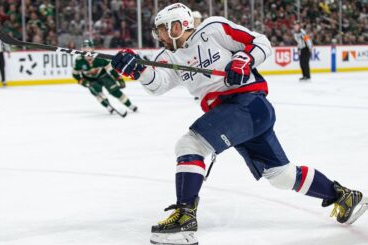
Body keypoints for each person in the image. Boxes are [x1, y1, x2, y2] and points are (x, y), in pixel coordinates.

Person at [111, 3, 367, 245]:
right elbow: (158, 84)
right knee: (281, 175)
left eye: (162, 29)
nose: (159, 35)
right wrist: (138, 70)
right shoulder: (168, 56)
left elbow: (260, 43)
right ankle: (344, 196)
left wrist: (244, 59)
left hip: (248, 103)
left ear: (178, 25)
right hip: (237, 116)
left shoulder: (213, 29)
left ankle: (185, 218)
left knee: (191, 144)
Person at [73, 40, 137, 117]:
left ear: (92, 49)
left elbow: (110, 68)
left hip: (104, 76)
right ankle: (108, 106)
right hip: (90, 80)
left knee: (115, 91)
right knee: (98, 94)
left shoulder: (99, 57)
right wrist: (82, 81)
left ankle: (130, 105)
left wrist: (119, 78)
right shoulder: (79, 60)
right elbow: (75, 74)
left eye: (88, 47)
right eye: (84, 48)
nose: (86, 50)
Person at [0, 21, 10, 87]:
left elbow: (5, 41)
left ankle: (3, 80)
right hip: (0, 51)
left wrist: (8, 49)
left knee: (2, 67)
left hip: (0, 52)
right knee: (2, 67)